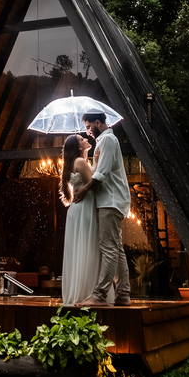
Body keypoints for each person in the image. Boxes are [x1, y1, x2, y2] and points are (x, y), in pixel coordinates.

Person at [71, 111, 131, 307]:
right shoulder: (104, 142)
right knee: (117, 249)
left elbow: (102, 174)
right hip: (112, 200)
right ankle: (123, 294)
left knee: (109, 248)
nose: (88, 132)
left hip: (110, 200)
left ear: (98, 122)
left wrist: (83, 190)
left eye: (89, 127)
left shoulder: (107, 140)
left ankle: (99, 295)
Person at [59, 132, 99, 306]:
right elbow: (94, 183)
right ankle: (87, 292)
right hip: (85, 210)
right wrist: (96, 163)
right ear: (77, 147)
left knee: (80, 250)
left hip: (77, 211)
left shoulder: (75, 162)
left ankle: (79, 291)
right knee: (88, 248)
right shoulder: (81, 162)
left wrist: (90, 159)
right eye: (82, 139)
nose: (86, 139)